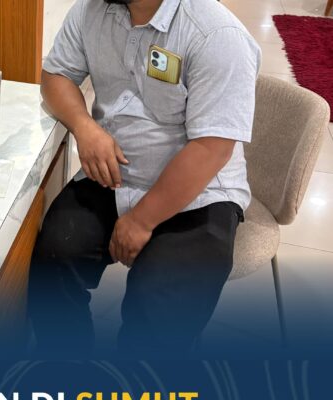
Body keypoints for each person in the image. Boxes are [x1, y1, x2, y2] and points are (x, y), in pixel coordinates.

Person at [27, 0, 261, 355]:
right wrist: (84, 127)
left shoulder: (217, 34)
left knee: (159, 312)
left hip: (198, 191)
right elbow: (55, 76)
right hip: (116, 173)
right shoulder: (91, 10)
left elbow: (212, 149)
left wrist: (139, 221)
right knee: (52, 260)